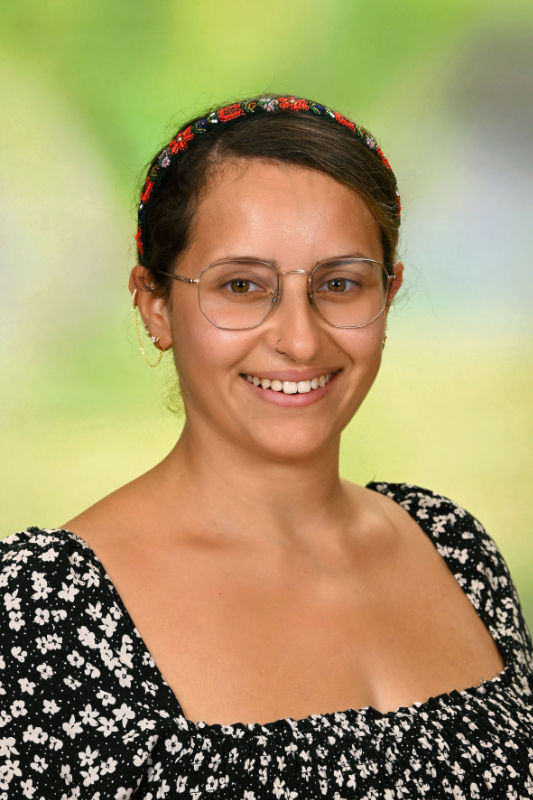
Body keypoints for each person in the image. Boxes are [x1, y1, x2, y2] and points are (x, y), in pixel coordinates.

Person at [1, 94, 532, 799]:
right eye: (242, 286)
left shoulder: (453, 547)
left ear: (388, 292)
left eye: (339, 284)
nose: (300, 340)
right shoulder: (41, 610)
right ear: (155, 305)